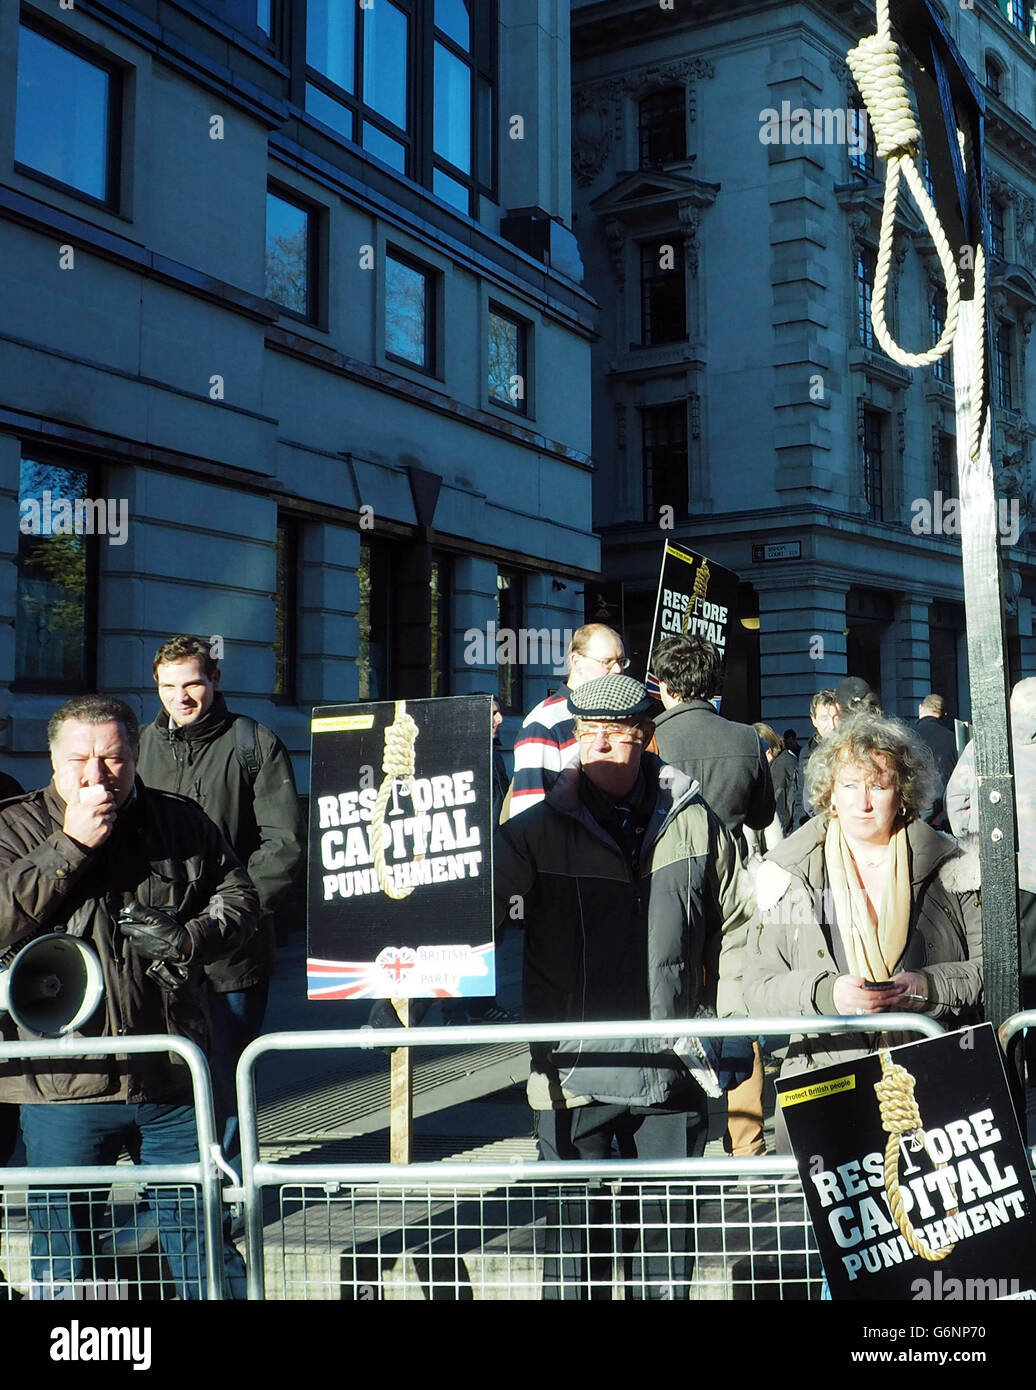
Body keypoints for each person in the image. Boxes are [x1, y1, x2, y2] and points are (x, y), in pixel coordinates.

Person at [495, 674, 753, 1298]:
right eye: (585, 735)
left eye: (611, 736)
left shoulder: (700, 825)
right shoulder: (532, 833)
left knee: (666, 1256)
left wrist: (736, 1031)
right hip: (573, 1073)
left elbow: (738, 929)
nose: (594, 747)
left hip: (673, 1066)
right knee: (574, 1257)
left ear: (644, 739)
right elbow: (479, 919)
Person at [0, 695, 258, 1297]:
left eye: (113, 759)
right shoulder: (13, 826)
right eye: (80, 761)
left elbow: (241, 901)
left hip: (169, 1071)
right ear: (53, 762)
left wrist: (189, 938)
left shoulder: (180, 820)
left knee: (198, 1236)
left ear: (135, 756)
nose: (96, 776)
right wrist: (71, 846)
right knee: (68, 1251)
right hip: (62, 1081)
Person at [744, 712, 982, 1150]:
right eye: (850, 785)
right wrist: (826, 995)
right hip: (827, 1092)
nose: (863, 802)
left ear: (904, 795)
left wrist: (929, 987)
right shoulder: (789, 873)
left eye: (879, 786)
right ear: (830, 792)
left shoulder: (952, 869)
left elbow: (992, 970)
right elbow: (757, 988)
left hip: (931, 1087)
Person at [136, 635, 303, 1163]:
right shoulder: (139, 744)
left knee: (226, 1074)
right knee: (162, 1077)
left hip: (233, 950)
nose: (180, 697)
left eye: (192, 684)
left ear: (215, 681)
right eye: (168, 686)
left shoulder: (253, 743)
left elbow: (283, 846)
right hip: (157, 949)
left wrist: (232, 917)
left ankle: (224, 1190)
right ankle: (169, 1195)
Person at [946, 678, 1036, 1022]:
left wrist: (974, 838)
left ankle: (1012, 1054)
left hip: (1005, 868)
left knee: (1012, 966)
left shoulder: (989, 743)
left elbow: (956, 799)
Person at [650, 635, 775, 859]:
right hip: (731, 871)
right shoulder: (748, 738)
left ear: (666, 688)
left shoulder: (649, 741)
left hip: (666, 872)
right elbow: (761, 817)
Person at [506, 623, 627, 819]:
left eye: (621, 661)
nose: (618, 670)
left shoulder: (618, 715)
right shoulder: (544, 722)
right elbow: (527, 817)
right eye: (607, 662)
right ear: (576, 662)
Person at [914, 693, 957, 828]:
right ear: (943, 714)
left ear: (920, 708)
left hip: (915, 813)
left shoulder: (907, 736)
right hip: (946, 815)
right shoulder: (954, 739)